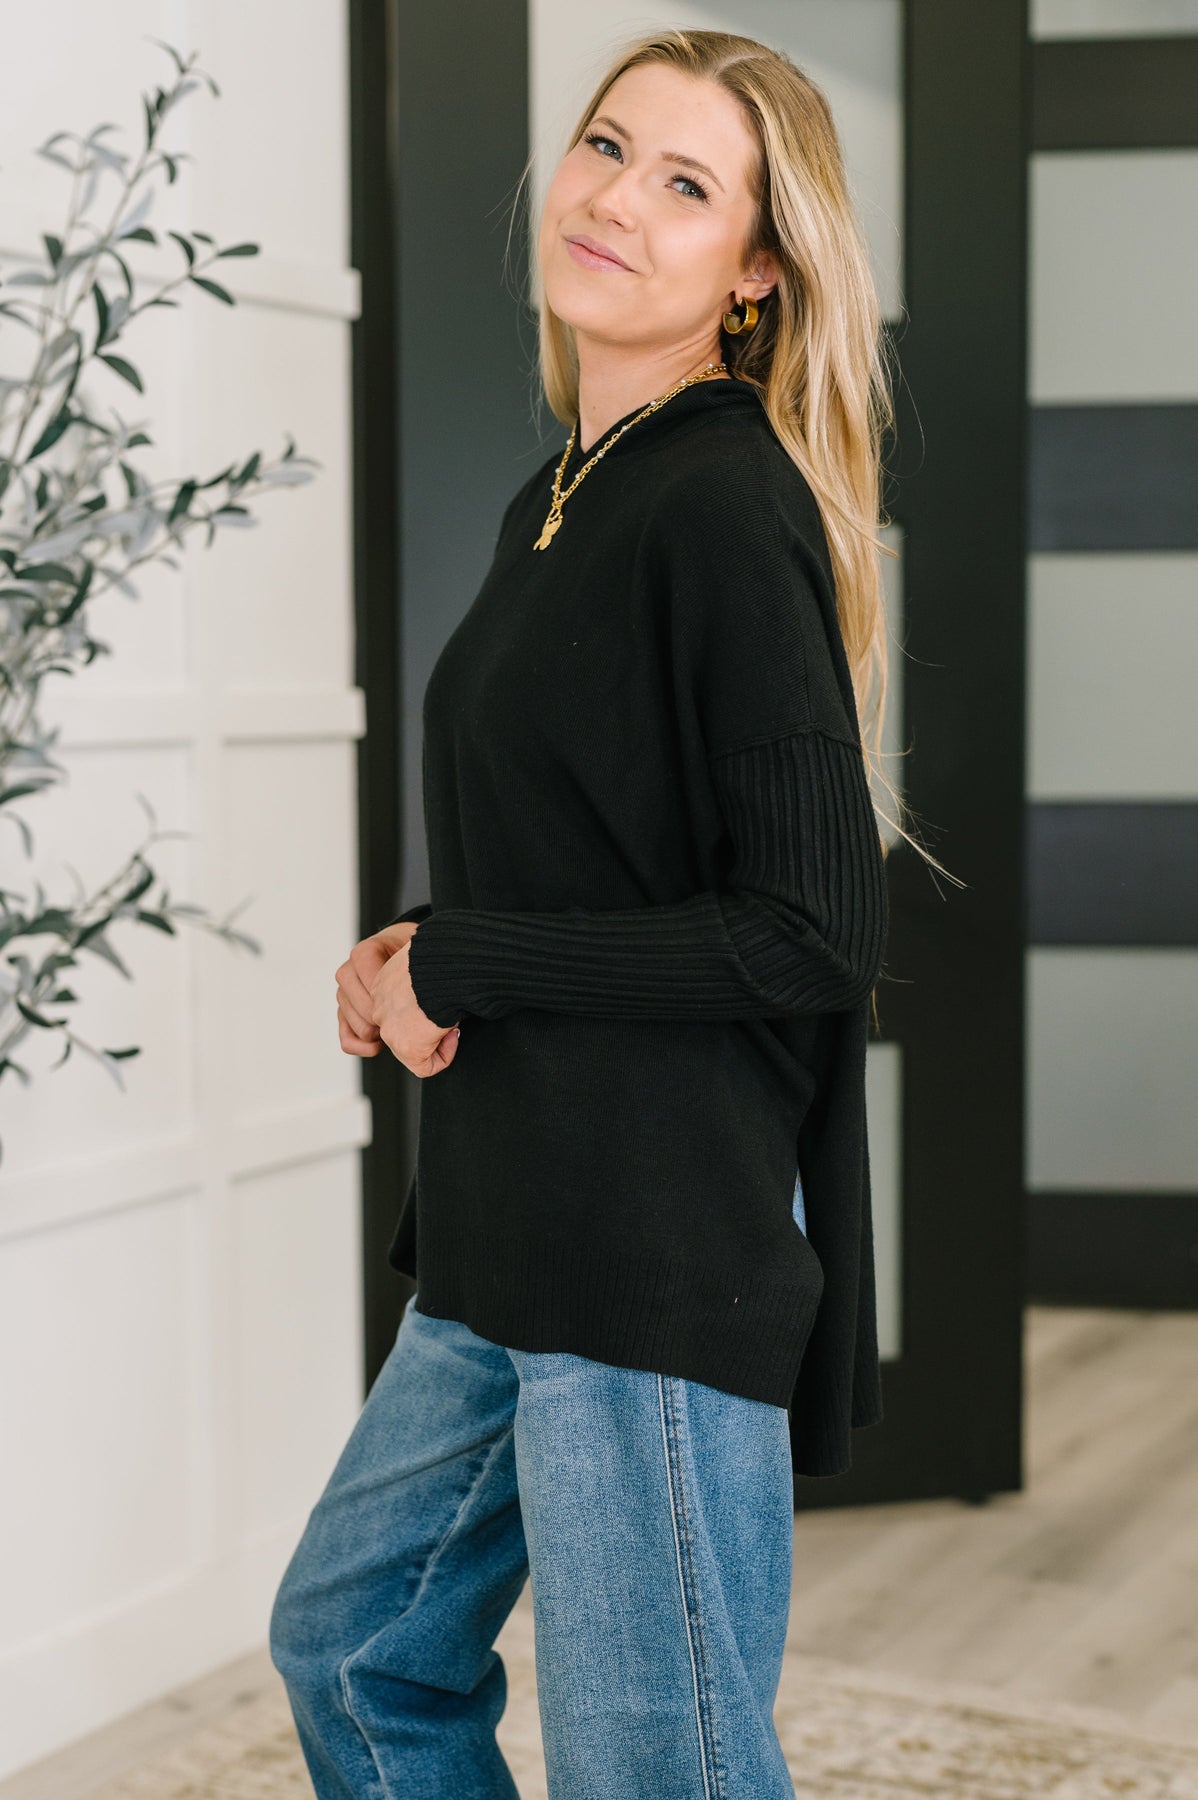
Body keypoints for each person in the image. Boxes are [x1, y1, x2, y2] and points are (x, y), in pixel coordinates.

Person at [270, 26, 944, 1799]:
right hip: (507, 1216)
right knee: (355, 1646)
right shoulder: (563, 492)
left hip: (648, 1242)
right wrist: (420, 946)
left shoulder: (719, 501)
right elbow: (600, 846)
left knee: (656, 1762)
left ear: (755, 271)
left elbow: (811, 930)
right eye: (605, 145)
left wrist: (474, 955)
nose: (616, 199)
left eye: (686, 184)